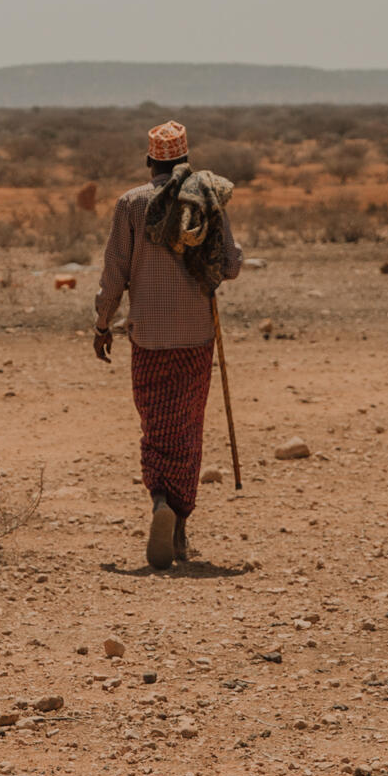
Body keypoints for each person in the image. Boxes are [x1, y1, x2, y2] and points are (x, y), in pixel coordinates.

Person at [93, 121, 244, 569]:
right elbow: (231, 265)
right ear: (185, 161)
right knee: (188, 429)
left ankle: (160, 497)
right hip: (196, 336)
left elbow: (114, 273)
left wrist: (103, 324)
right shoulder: (206, 201)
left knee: (156, 428)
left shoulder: (131, 204)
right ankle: (178, 527)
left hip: (148, 338)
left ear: (149, 162)